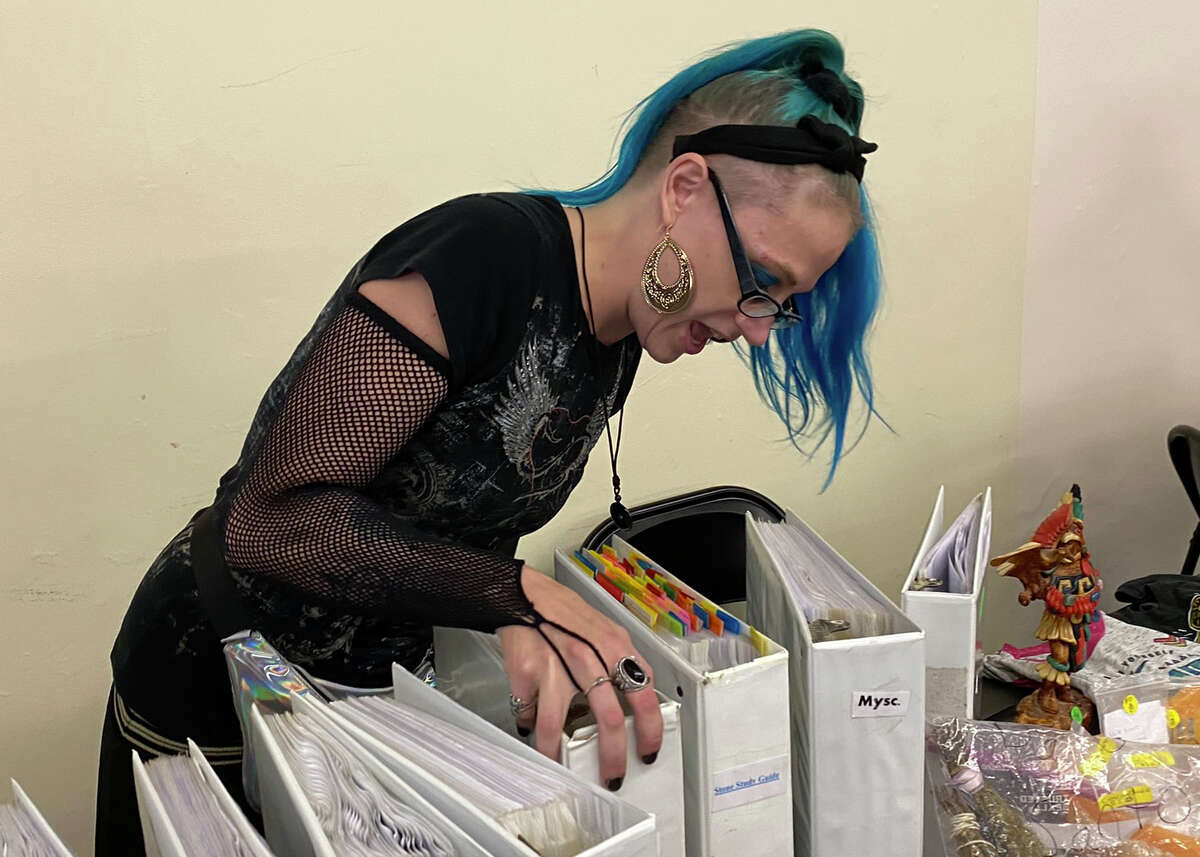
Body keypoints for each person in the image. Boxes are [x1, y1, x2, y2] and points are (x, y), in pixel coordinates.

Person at [96, 27, 882, 854]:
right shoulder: (483, 257)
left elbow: (453, 527)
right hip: (214, 670)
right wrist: (519, 595)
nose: (760, 332)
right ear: (685, 187)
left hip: (368, 702)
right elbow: (276, 520)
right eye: (764, 282)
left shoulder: (619, 339)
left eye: (781, 304)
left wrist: (503, 623)